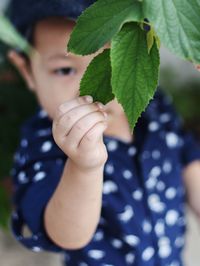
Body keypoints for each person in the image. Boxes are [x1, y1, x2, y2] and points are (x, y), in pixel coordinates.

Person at [7, 0, 200, 265]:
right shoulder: (44, 143)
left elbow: (188, 159)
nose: (88, 90)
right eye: (65, 70)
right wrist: (83, 168)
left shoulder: (152, 106)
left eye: (112, 62)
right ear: (26, 71)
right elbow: (65, 235)